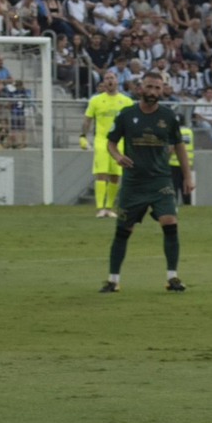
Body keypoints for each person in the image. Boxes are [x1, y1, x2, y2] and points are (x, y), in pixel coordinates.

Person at [100, 71, 192, 293]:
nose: (153, 92)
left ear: (162, 90)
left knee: (170, 223)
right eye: (149, 87)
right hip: (133, 183)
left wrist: (188, 176)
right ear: (141, 88)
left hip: (160, 181)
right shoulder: (126, 114)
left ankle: (172, 277)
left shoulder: (169, 116)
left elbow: (179, 145)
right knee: (123, 230)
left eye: (157, 88)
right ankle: (113, 280)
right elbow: (111, 143)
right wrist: (117, 156)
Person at [80, 69, 132, 217]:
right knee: (101, 173)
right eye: (107, 78)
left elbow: (131, 122)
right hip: (102, 140)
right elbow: (87, 119)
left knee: (115, 175)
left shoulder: (126, 101)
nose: (110, 80)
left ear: (117, 81)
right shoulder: (96, 100)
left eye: (112, 78)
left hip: (119, 142)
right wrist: (82, 136)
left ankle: (109, 208)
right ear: (103, 82)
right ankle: (99, 208)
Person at [169, 120, 195, 206]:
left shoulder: (174, 131)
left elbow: (171, 148)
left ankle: (174, 203)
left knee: (174, 185)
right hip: (187, 162)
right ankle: (187, 204)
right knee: (186, 184)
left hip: (174, 162)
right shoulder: (189, 131)